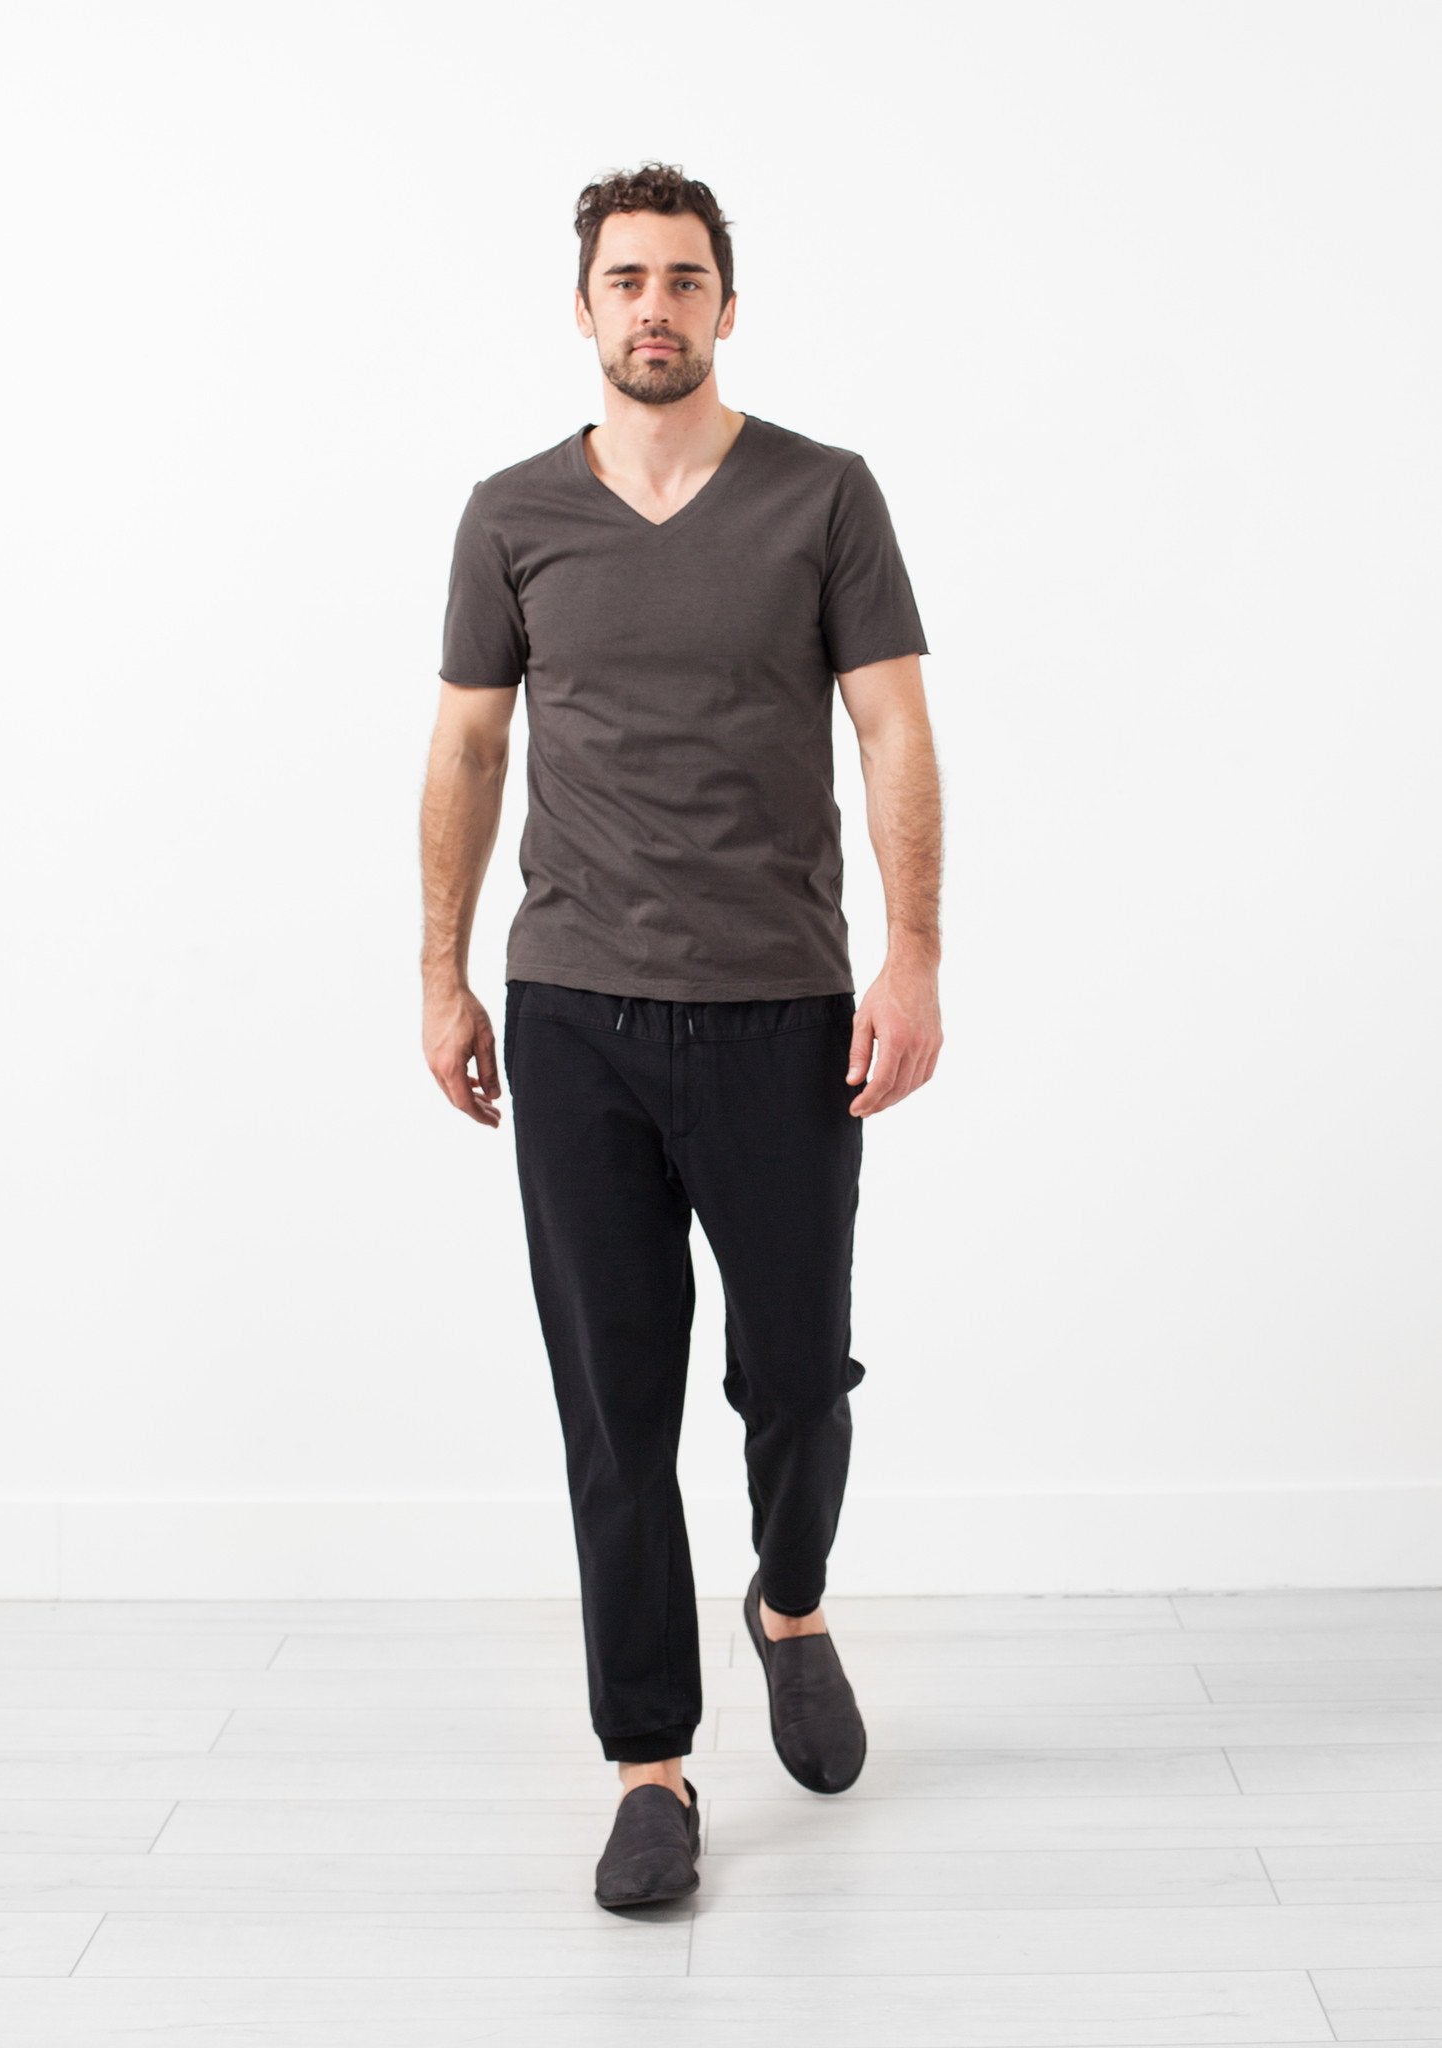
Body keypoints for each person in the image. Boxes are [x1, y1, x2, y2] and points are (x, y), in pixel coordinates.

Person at [419, 161, 943, 1908]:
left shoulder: (823, 494)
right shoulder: (509, 514)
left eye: (685, 280)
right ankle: (649, 1763)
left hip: (782, 1013)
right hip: (574, 1016)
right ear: (583, 309)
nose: (655, 307)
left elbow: (890, 730)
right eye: (627, 280)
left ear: (727, 305)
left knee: (795, 1378)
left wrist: (912, 956)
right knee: (614, 1403)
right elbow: (469, 749)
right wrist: (440, 971)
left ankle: (787, 1602)